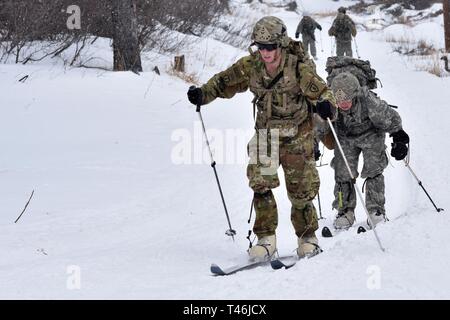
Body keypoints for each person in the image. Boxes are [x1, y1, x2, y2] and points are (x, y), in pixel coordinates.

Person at [187, 16, 337, 260]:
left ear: (280, 44)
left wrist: (326, 105)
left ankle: (307, 237)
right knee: (261, 184)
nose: (265, 52)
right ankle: (266, 239)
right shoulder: (251, 65)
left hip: (297, 135)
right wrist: (202, 94)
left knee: (301, 192)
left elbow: (322, 92)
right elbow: (225, 81)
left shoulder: (298, 66)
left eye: (270, 47)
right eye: (260, 47)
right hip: (266, 134)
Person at [327, 72, 409, 230]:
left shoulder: (368, 101)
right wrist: (314, 144)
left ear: (355, 95)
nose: (343, 103)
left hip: (371, 133)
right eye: (339, 100)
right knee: (343, 171)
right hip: (345, 136)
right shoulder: (330, 104)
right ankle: (345, 211)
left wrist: (399, 137)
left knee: (373, 168)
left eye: (347, 99)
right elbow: (321, 126)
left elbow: (390, 117)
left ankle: (376, 210)